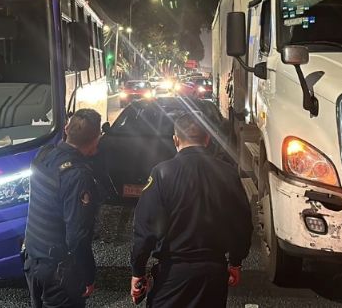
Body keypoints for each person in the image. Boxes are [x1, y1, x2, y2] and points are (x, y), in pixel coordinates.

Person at [130, 113, 253, 307]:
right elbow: (242, 223)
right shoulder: (228, 173)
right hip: (213, 271)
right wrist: (236, 261)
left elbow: (145, 227)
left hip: (173, 273)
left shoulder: (162, 173)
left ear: (176, 139)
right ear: (207, 139)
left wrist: (138, 271)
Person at [23, 109, 103, 308]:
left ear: (66, 129)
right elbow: (77, 236)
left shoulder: (44, 154)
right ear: (97, 139)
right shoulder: (78, 175)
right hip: (58, 272)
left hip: (33, 261)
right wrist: (88, 275)